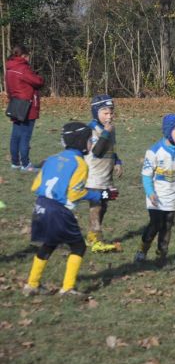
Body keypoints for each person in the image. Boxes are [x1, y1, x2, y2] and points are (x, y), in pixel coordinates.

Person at [23, 122, 117, 297]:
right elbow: (76, 194)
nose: (91, 144)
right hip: (59, 211)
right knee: (79, 247)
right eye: (90, 140)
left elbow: (35, 186)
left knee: (49, 244)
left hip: (40, 206)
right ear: (81, 142)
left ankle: (32, 284)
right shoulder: (80, 164)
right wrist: (102, 195)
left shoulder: (52, 159)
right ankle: (67, 288)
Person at [135, 114, 175, 266]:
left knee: (167, 225)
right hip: (156, 197)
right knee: (155, 225)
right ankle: (142, 250)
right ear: (168, 132)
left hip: (173, 197)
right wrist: (150, 192)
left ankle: (161, 255)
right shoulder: (154, 151)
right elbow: (146, 176)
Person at [84, 95, 124, 253]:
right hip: (94, 177)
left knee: (105, 203)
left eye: (111, 112)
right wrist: (106, 132)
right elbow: (98, 151)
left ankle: (91, 235)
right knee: (96, 206)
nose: (109, 116)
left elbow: (110, 149)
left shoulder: (110, 129)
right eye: (105, 113)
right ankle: (97, 240)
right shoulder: (91, 130)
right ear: (95, 112)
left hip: (106, 177)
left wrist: (117, 161)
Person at [5, 44, 44, 172]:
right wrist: (40, 77)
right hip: (28, 106)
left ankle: (15, 162)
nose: (28, 59)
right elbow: (38, 82)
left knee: (15, 135)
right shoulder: (23, 68)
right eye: (27, 57)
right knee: (25, 136)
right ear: (23, 56)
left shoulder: (9, 68)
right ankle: (26, 164)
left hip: (15, 104)